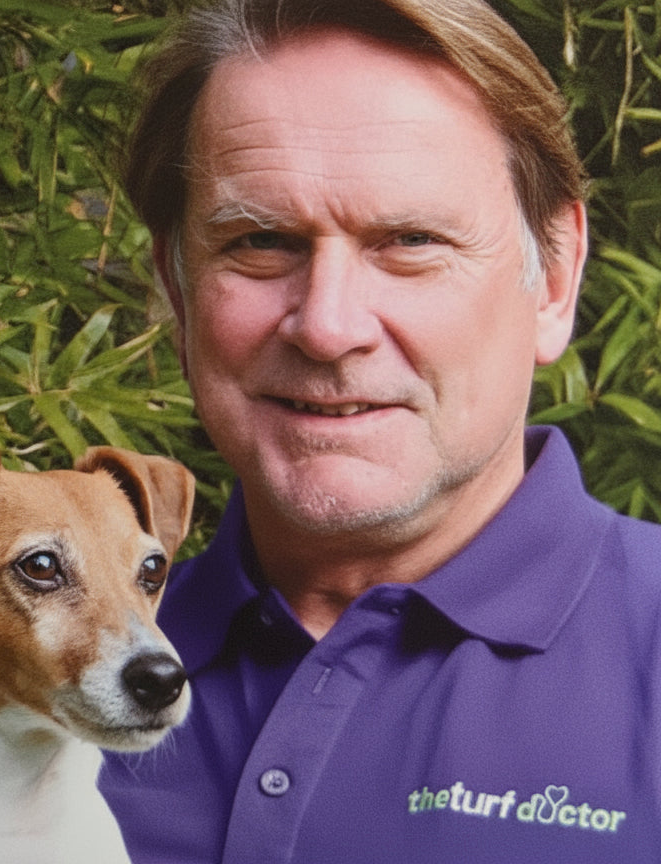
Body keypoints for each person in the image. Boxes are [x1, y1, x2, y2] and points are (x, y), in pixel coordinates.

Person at [97, 0, 661, 861]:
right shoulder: (26, 675)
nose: (327, 326)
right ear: (177, 290)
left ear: (553, 277)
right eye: (261, 241)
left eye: (409, 240)